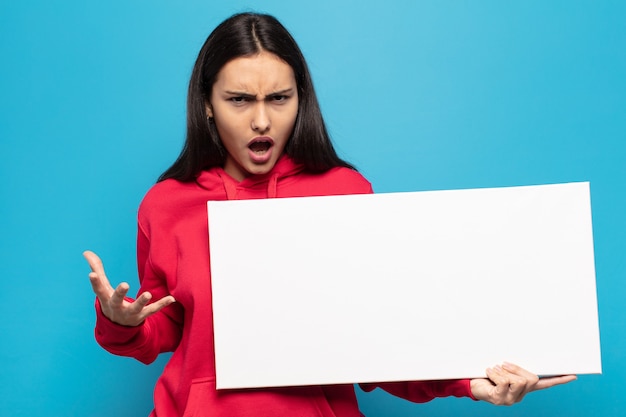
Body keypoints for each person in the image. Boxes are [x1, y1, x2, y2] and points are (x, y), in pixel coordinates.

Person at [84, 12, 576, 417]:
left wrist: (472, 383)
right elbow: (164, 331)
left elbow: (380, 340)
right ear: (207, 105)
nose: (261, 120)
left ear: (302, 99)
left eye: (279, 98)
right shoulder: (166, 203)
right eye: (239, 100)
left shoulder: (344, 191)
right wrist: (120, 320)